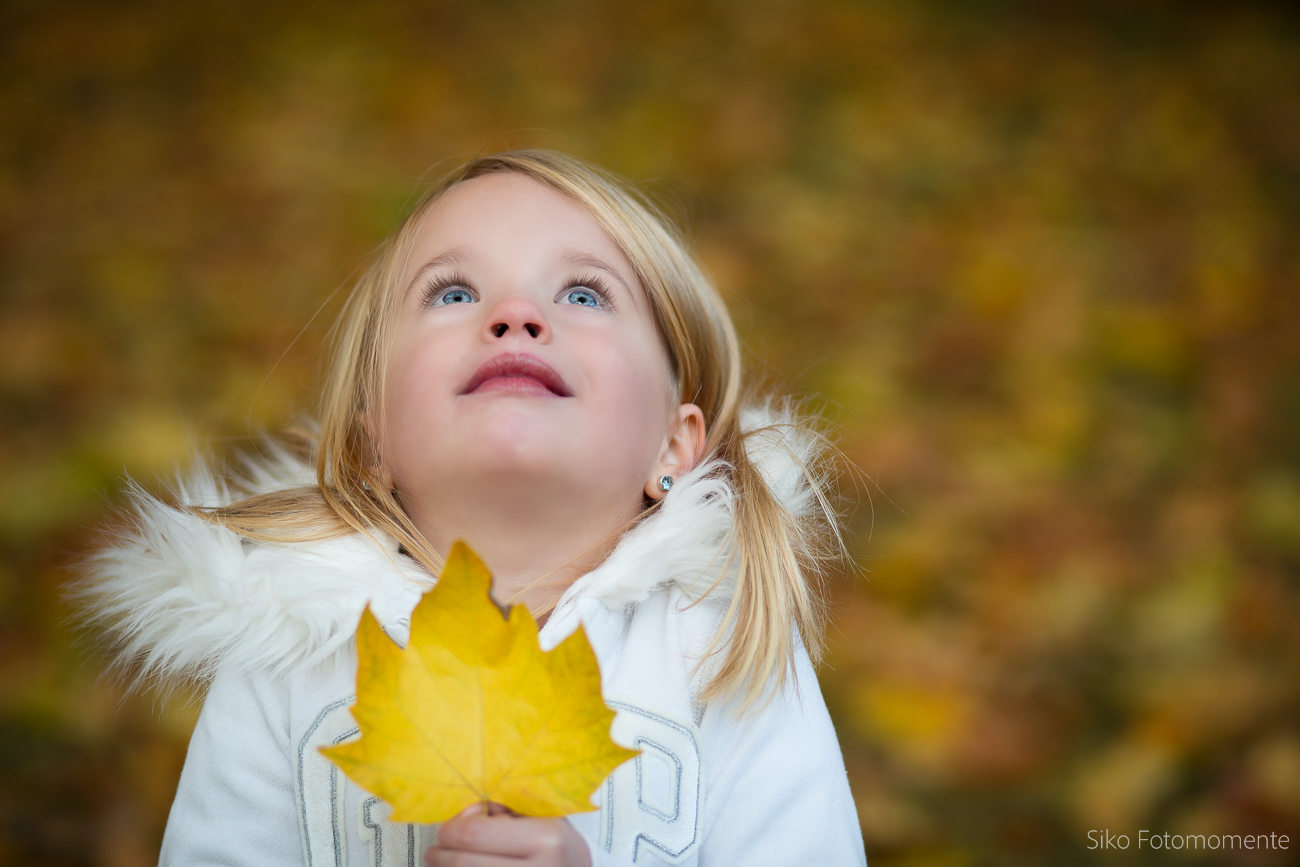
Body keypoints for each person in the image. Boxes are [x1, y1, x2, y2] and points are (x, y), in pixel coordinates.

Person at [78, 150, 867, 866]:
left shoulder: (726, 652)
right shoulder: (288, 651)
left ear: (674, 444)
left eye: (584, 292)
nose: (516, 314)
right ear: (370, 443)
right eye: (454, 292)